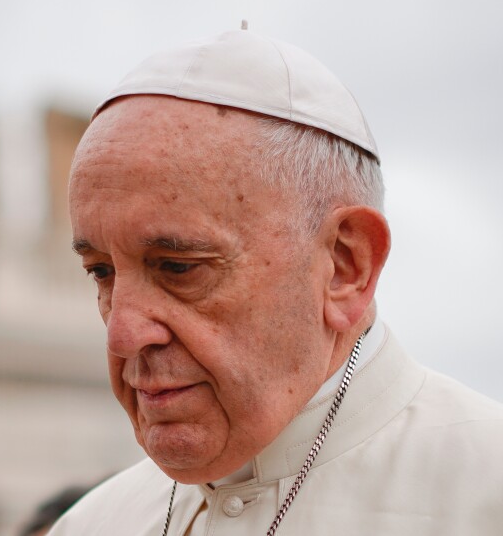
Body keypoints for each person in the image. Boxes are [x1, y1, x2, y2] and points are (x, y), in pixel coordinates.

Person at [48, 28, 503, 535]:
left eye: (178, 268)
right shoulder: (91, 525)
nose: (122, 335)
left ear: (345, 266)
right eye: (101, 272)